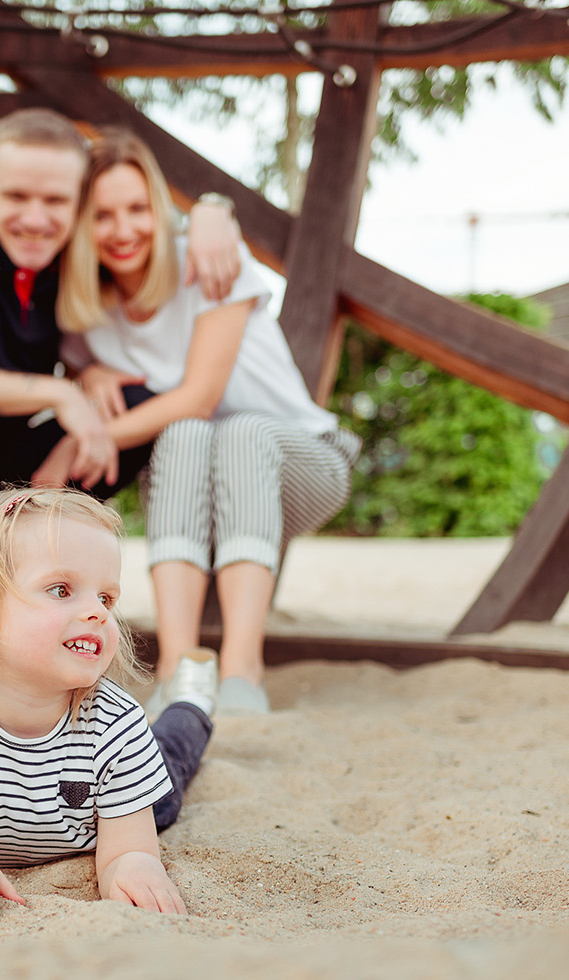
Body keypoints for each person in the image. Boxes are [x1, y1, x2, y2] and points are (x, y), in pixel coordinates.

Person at [51, 128, 360, 717]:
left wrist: (83, 440)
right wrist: (87, 376)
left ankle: (244, 670)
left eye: (138, 209)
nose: (123, 230)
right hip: (205, 480)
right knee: (185, 435)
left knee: (231, 427)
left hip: (305, 460)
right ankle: (178, 668)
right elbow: (97, 374)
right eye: (103, 215)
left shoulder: (209, 258)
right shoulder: (88, 315)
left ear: (161, 209)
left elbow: (198, 394)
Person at [0, 108, 240, 546]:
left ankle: (47, 553)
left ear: (79, 200)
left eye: (55, 201)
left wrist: (214, 211)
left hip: (10, 466)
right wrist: (58, 391)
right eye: (17, 196)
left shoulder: (73, 265)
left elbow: (147, 243)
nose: (36, 220)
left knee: (130, 402)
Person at [0, 487, 218, 925]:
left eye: (107, 598)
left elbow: (124, 852)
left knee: (173, 758)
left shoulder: (117, 723)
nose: (98, 613)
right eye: (61, 589)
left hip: (115, 810)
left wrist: (132, 865)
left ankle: (192, 702)